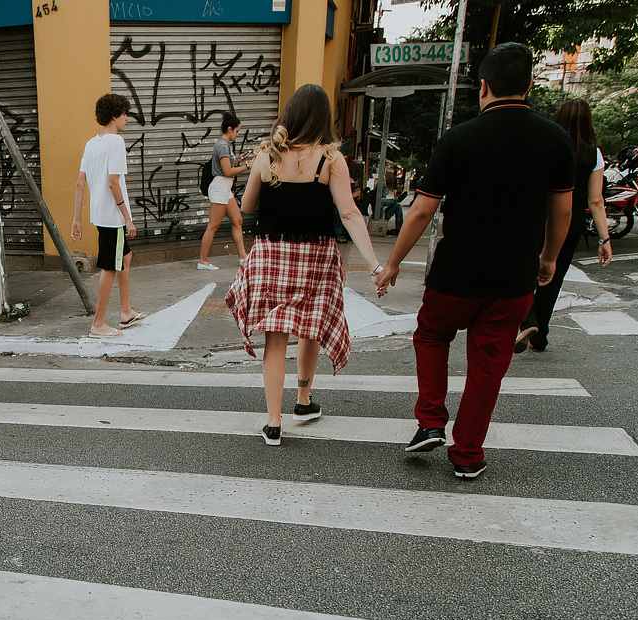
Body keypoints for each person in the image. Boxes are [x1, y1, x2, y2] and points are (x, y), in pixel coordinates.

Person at [374, 42, 573, 479]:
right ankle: (467, 455)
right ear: (530, 86)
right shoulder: (555, 140)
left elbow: (423, 210)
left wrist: (392, 264)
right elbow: (562, 210)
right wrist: (548, 258)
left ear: (483, 86)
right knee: (488, 365)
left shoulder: (458, 139)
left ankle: (430, 420)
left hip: (456, 273)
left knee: (431, 336)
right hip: (513, 277)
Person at [225, 84, 382, 446]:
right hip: (315, 258)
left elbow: (247, 206)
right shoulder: (331, 159)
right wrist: (374, 265)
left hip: (271, 256)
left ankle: (273, 422)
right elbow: (349, 213)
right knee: (309, 327)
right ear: (322, 117)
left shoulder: (266, 156)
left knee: (275, 337)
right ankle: (304, 400)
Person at [516, 98, 613, 353]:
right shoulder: (594, 154)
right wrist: (605, 239)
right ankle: (540, 335)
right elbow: (596, 200)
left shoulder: (545, 144)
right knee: (553, 275)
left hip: (538, 216)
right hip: (571, 223)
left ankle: (529, 319)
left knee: (524, 268)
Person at [71, 93, 146, 338]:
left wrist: (76, 220)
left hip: (99, 214)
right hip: (113, 217)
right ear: (115, 115)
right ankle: (98, 324)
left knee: (125, 255)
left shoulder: (91, 143)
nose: (126, 118)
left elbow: (79, 183)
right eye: (124, 114)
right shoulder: (116, 142)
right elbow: (113, 183)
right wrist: (127, 217)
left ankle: (126, 311)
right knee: (109, 267)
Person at [197, 113, 252, 270]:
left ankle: (243, 257)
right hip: (220, 186)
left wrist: (238, 160)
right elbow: (227, 171)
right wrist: (248, 166)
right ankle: (202, 260)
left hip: (225, 187)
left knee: (238, 220)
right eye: (237, 131)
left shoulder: (225, 146)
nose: (238, 134)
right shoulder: (222, 145)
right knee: (214, 225)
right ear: (229, 129)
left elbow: (226, 165)